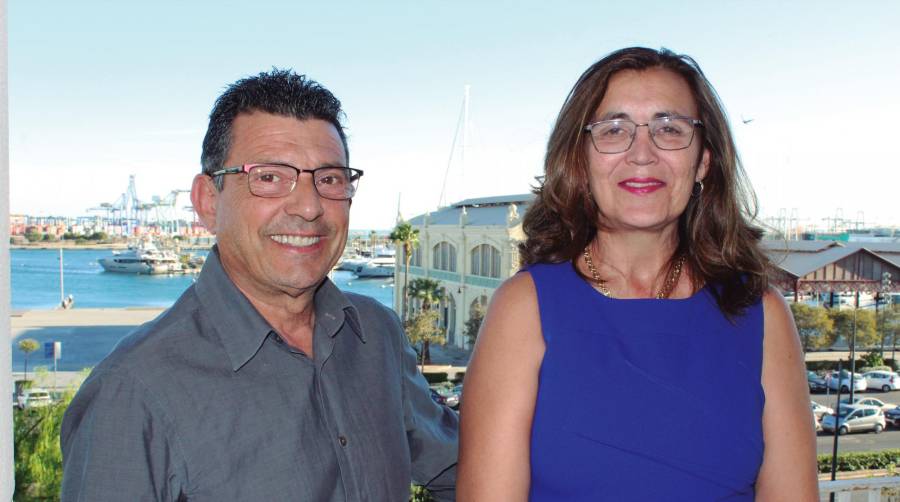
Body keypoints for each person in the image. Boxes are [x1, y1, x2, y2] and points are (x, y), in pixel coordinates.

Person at [61, 69, 458, 501]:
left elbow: (460, 470)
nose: (309, 206)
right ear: (208, 202)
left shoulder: (376, 336)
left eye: (329, 179)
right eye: (269, 177)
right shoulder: (132, 395)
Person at [458, 47, 817, 500]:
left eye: (670, 129)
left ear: (703, 160)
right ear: (580, 160)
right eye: (613, 130)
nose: (641, 153)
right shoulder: (524, 307)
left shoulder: (761, 314)